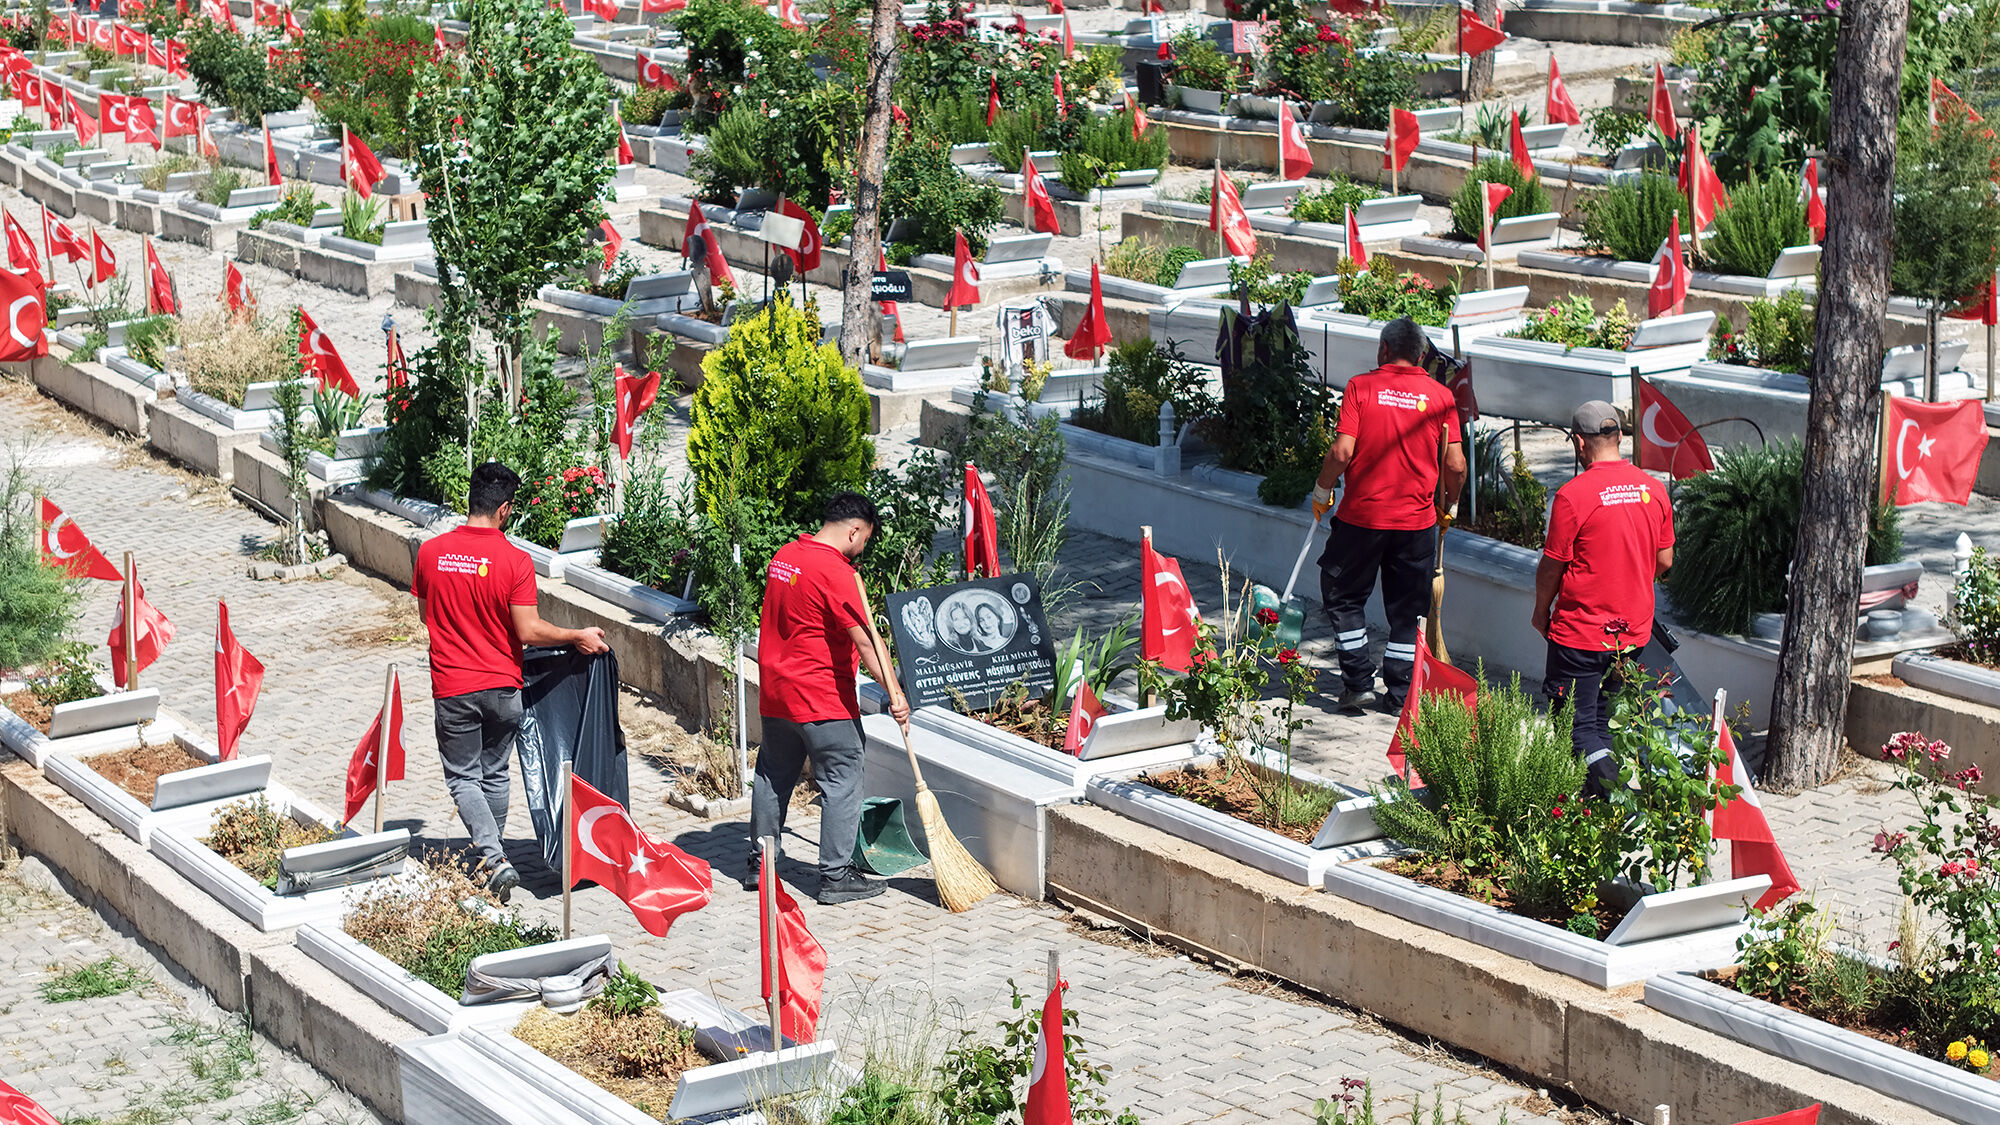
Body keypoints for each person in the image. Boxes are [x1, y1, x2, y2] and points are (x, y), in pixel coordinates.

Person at [413, 462, 609, 899]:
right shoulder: (515, 561)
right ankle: (493, 858)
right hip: (504, 687)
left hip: (454, 687)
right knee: (495, 773)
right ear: (505, 510)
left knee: (463, 779)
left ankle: (494, 858)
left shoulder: (431, 553)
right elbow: (529, 630)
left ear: (472, 499)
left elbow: (428, 616)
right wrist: (576, 635)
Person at [753, 491, 911, 905]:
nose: (862, 549)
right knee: (841, 780)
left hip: (776, 690)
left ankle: (761, 862)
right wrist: (895, 692)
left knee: (773, 774)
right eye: (864, 541)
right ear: (855, 530)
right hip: (821, 697)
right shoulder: (835, 572)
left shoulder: (785, 556)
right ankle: (835, 877)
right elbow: (866, 644)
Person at [1309, 317, 1466, 713]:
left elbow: (1341, 451)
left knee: (1343, 594)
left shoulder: (1361, 387)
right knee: (1409, 608)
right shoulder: (1440, 397)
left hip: (1362, 519)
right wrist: (1450, 504)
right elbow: (1457, 466)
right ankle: (1399, 696)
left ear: (1382, 350)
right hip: (1416, 524)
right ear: (1421, 356)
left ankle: (1358, 681)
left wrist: (1322, 490)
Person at [1533, 400, 1675, 795]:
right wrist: (1626, 577)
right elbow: (1664, 560)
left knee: (1575, 732)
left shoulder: (1573, 495)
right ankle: (1594, 812)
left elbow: (1552, 566)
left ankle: (1619, 798)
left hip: (1580, 634)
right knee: (1603, 724)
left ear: (1580, 443)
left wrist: (1541, 610)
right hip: (1632, 636)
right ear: (1619, 438)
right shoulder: (1654, 489)